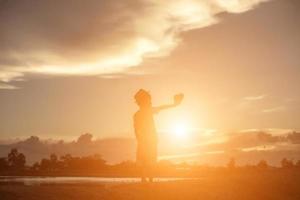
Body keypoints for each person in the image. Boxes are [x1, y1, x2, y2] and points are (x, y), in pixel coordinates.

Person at [133, 89, 184, 182]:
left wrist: (174, 104)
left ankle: (147, 180)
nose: (151, 102)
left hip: (149, 139)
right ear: (143, 102)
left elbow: (162, 107)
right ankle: (146, 180)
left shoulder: (141, 113)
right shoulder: (142, 113)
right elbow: (136, 129)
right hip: (147, 139)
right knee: (147, 160)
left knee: (148, 160)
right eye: (149, 100)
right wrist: (174, 104)